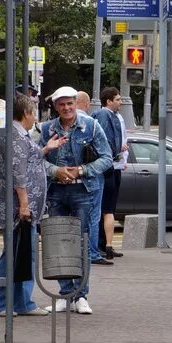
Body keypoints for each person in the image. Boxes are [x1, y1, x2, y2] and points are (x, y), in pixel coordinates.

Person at [39, 86, 113, 314]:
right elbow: (36, 158)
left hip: (83, 191)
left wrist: (81, 170)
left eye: (69, 103)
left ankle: (81, 295)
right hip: (56, 192)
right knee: (59, 243)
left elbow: (107, 158)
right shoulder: (46, 129)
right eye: (61, 104)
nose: (66, 108)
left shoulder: (90, 126)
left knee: (81, 242)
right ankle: (65, 294)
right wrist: (55, 171)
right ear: (55, 106)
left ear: (75, 103)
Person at [0, 93, 64, 317]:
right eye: (33, 111)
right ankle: (6, 303)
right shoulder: (15, 136)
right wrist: (24, 204)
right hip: (20, 209)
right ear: (25, 113)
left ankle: (19, 302)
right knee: (17, 253)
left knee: (22, 253)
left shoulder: (19, 135)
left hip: (25, 208)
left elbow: (28, 158)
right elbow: (18, 173)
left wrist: (46, 148)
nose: (35, 115)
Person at [72, 90, 111, 266]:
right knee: (92, 217)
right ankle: (92, 253)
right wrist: (84, 170)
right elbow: (106, 157)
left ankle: (72, 253)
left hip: (65, 181)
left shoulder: (56, 124)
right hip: (91, 179)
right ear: (86, 104)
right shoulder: (91, 124)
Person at [94, 87, 128, 260]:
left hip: (116, 166)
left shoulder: (115, 116)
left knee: (110, 208)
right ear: (108, 101)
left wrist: (122, 157)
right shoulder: (104, 115)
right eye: (118, 99)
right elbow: (106, 141)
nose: (121, 102)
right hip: (108, 167)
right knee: (105, 208)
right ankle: (101, 245)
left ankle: (106, 244)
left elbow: (121, 138)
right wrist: (117, 151)